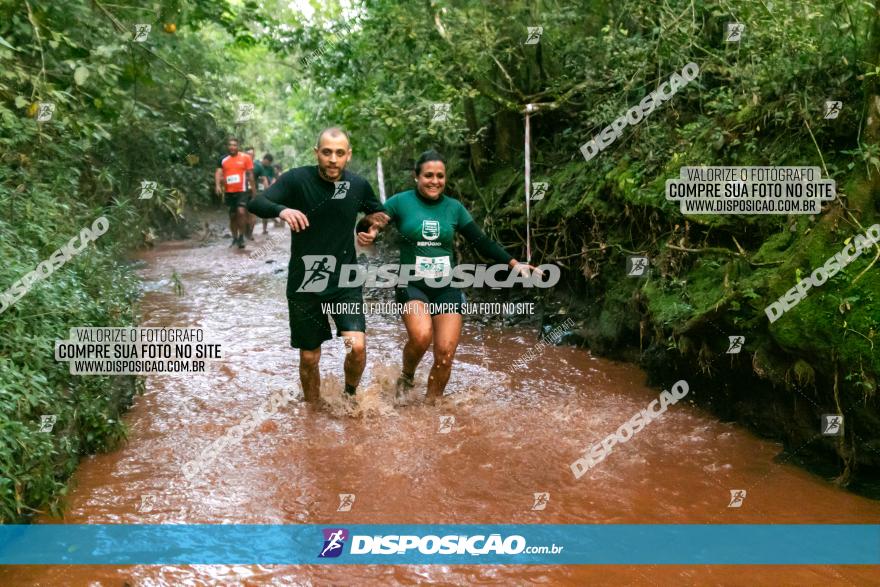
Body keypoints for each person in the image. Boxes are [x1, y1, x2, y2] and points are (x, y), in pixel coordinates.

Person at [358, 150, 539, 405]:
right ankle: (407, 376)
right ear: (416, 177)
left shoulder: (454, 208)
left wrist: (513, 263)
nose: (435, 181)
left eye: (440, 176)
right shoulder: (400, 202)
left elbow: (480, 241)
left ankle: (431, 409)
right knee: (421, 337)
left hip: (446, 287)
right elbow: (371, 223)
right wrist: (369, 232)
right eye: (428, 175)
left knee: (444, 354)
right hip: (412, 284)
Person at [247, 128, 388, 405]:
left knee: (356, 347)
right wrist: (282, 210)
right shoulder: (297, 180)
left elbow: (377, 215)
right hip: (305, 283)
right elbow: (256, 202)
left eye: (339, 153)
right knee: (310, 357)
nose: (332, 159)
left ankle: (349, 396)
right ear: (317, 153)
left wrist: (371, 230)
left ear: (348, 155)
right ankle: (313, 413)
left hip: (344, 283)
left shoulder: (357, 185)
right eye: (327, 152)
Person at [215, 138, 256, 249]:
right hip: (229, 191)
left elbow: (250, 175)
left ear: (238, 146)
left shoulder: (246, 158)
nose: (232, 147)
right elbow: (218, 172)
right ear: (227, 147)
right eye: (230, 145)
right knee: (233, 216)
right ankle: (234, 238)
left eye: (234, 145)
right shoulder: (222, 159)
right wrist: (218, 185)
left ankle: (241, 237)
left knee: (241, 212)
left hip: (242, 191)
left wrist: (253, 191)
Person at [254, 153, 276, 234]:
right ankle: (249, 231)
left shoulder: (270, 168)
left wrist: (271, 187)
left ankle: (264, 229)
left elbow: (273, 178)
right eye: (266, 162)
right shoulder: (256, 164)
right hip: (255, 189)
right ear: (263, 159)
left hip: (266, 190)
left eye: (268, 163)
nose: (267, 164)